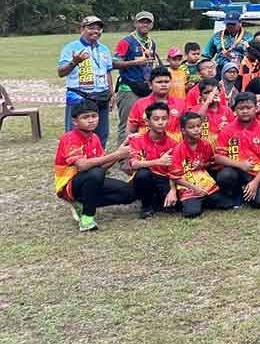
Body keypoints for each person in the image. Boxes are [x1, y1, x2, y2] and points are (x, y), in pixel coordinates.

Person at [53, 100, 135, 232]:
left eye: (94, 116)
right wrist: (116, 154)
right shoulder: (69, 138)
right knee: (96, 173)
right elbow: (83, 166)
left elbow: (103, 166)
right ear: (75, 121)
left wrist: (120, 153)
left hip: (90, 180)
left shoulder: (94, 137)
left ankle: (82, 204)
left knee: (130, 193)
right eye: (85, 117)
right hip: (69, 185)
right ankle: (87, 218)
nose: (91, 120)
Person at [58, 15, 115, 147]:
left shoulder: (104, 49)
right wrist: (74, 62)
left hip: (102, 97)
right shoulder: (71, 47)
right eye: (91, 28)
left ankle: (98, 164)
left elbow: (108, 72)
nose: (96, 31)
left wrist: (112, 94)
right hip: (79, 96)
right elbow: (61, 72)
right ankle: (75, 164)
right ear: (82, 29)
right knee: (76, 134)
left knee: (102, 133)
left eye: (99, 29)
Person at [213, 92, 260, 209]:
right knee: (225, 176)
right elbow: (218, 157)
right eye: (241, 108)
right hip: (236, 171)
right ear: (235, 110)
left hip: (258, 172)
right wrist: (240, 164)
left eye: (249, 108)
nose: (245, 111)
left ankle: (249, 189)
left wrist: (255, 182)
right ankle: (237, 193)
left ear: (256, 108)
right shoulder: (227, 129)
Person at [169, 112, 232, 218]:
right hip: (188, 186)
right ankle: (190, 202)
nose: (196, 129)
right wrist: (195, 188)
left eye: (198, 126)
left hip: (206, 184)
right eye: (191, 127)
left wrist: (202, 165)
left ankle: (203, 200)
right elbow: (176, 177)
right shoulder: (177, 150)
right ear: (183, 130)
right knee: (192, 213)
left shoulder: (206, 144)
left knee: (227, 204)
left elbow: (211, 163)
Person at [112, 11, 159, 146]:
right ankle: (124, 160)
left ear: (152, 25)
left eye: (148, 22)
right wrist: (135, 63)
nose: (145, 24)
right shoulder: (126, 41)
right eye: (142, 21)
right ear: (135, 23)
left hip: (146, 88)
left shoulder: (151, 43)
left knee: (146, 123)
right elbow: (114, 63)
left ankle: (142, 154)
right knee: (127, 125)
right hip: (129, 88)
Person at [128, 101, 178, 218]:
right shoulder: (137, 140)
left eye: (164, 118)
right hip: (146, 179)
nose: (160, 122)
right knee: (143, 174)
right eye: (156, 119)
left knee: (176, 207)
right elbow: (134, 164)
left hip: (164, 180)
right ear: (147, 121)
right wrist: (158, 161)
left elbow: (176, 171)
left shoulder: (174, 144)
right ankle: (146, 207)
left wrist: (173, 190)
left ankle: (158, 202)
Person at [126, 66, 185, 140]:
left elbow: (186, 129)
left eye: (166, 82)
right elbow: (131, 130)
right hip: (147, 148)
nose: (163, 85)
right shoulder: (140, 104)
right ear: (150, 85)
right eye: (159, 82)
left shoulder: (181, 104)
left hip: (174, 147)